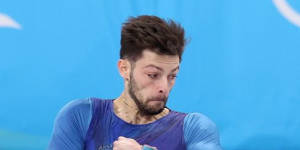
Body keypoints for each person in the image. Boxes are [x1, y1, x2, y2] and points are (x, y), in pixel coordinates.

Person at [48, 15, 222, 150]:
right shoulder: (81, 115)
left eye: (172, 76)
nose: (164, 87)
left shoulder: (195, 128)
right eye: (153, 75)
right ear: (124, 69)